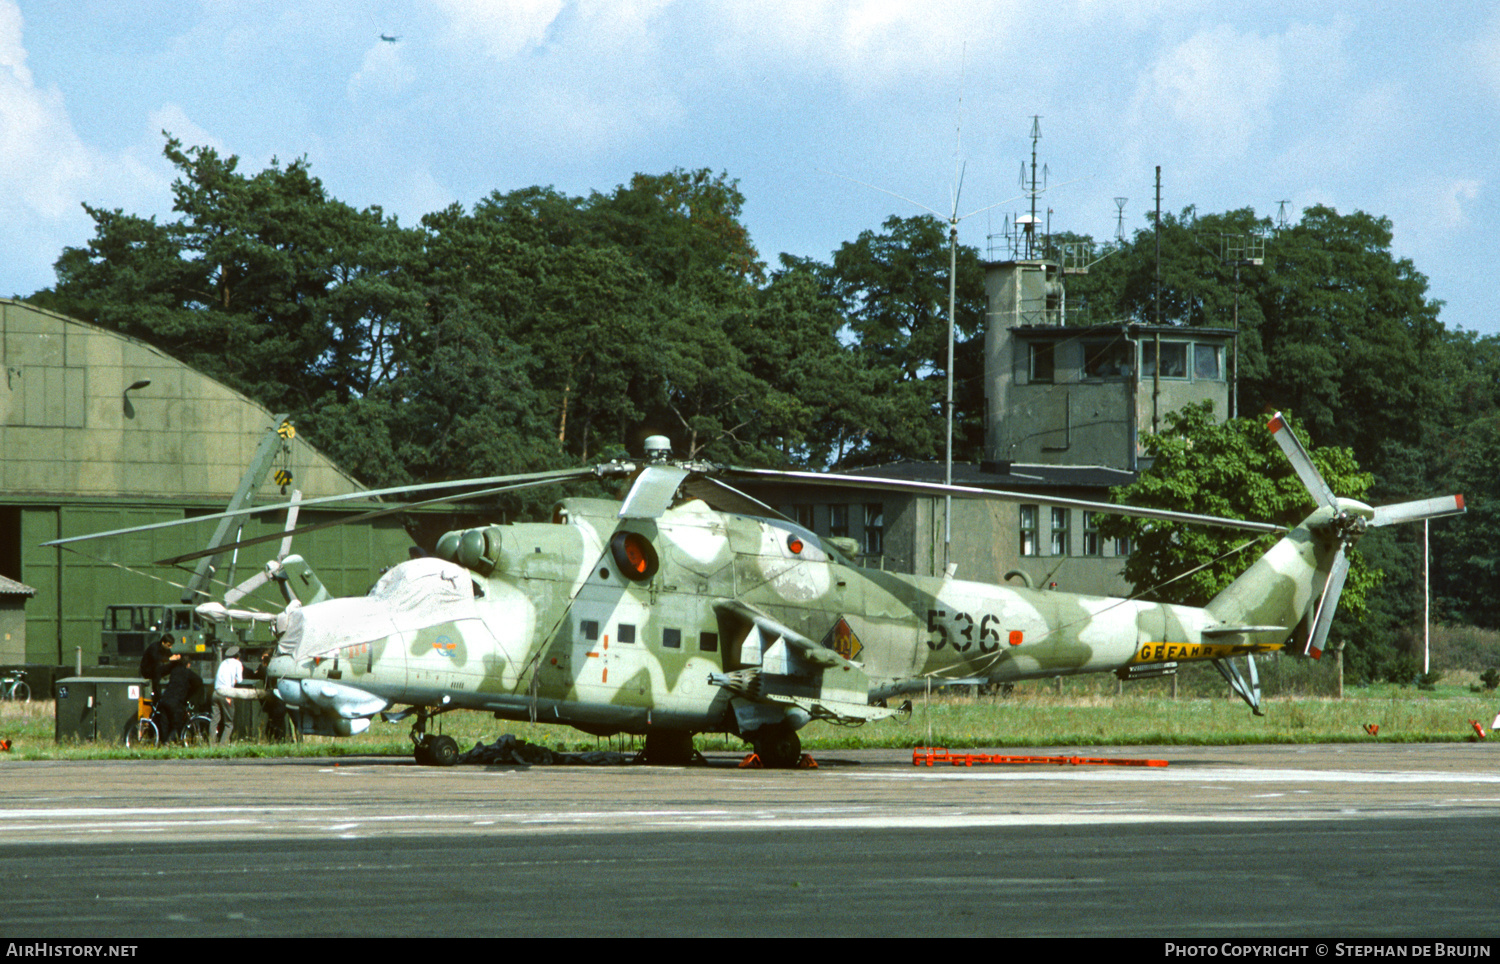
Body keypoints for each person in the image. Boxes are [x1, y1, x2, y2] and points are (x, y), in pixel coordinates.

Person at [158, 655, 199, 742]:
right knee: (177, 725)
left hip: (165, 699)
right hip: (175, 702)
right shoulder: (187, 673)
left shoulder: (174, 671)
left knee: (165, 725)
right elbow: (199, 681)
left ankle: (162, 744)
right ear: (188, 665)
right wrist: (189, 694)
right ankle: (168, 744)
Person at [211, 646, 245, 744]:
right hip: (226, 694)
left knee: (214, 721)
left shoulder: (223, 663)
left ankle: (211, 745)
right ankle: (222, 745)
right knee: (229, 723)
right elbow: (240, 680)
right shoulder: (238, 663)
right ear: (238, 656)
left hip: (216, 692)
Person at [138, 632, 178, 705]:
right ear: (163, 642)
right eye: (169, 645)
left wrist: (176, 658)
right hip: (148, 670)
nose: (170, 647)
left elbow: (170, 656)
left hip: (157, 669)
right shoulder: (154, 647)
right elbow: (156, 659)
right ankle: (156, 693)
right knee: (157, 667)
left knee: (174, 665)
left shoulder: (166, 648)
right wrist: (169, 659)